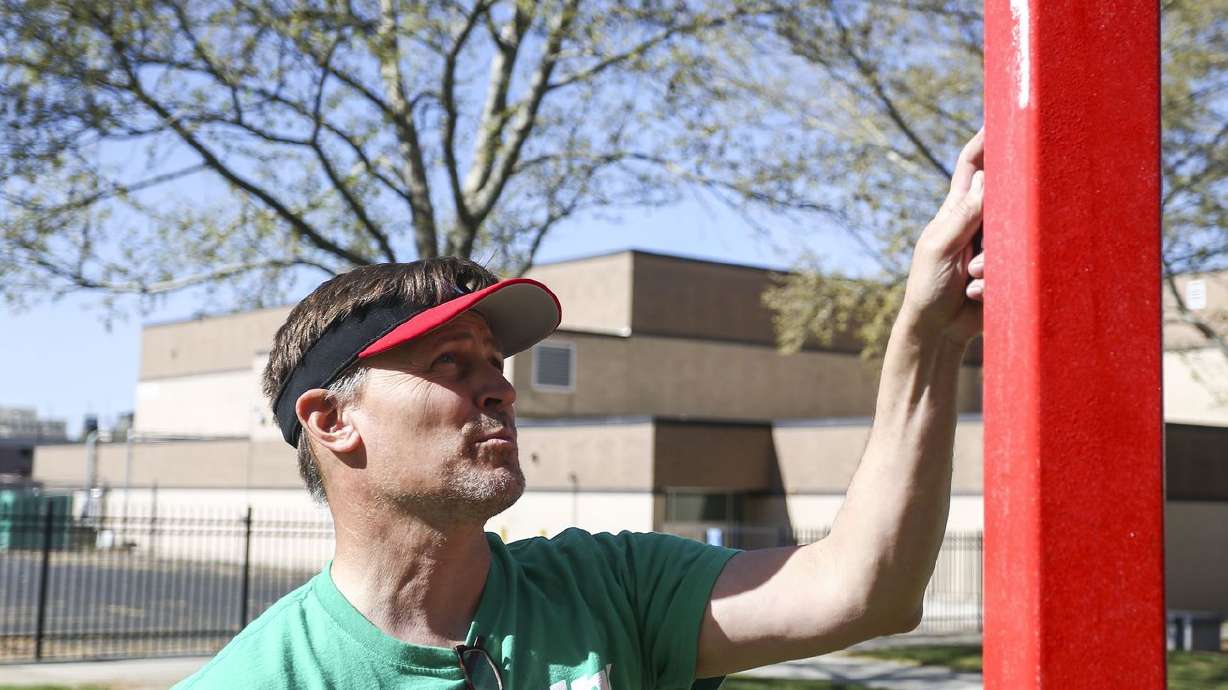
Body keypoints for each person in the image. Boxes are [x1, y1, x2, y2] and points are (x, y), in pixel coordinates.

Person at [174, 129, 987, 690]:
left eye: (496, 361)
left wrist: (929, 338)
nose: (498, 388)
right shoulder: (257, 677)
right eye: (449, 364)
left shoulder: (611, 589)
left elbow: (865, 588)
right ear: (330, 421)